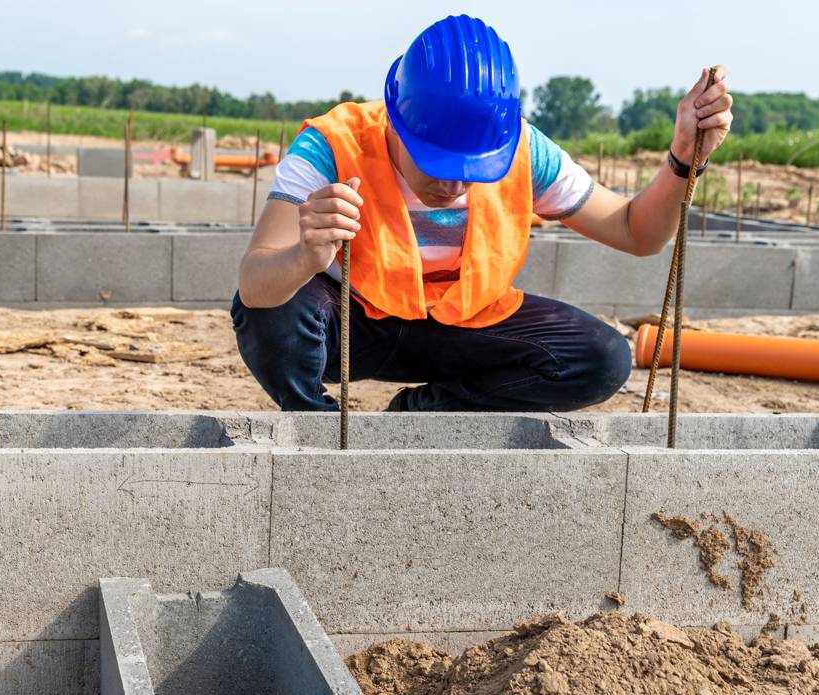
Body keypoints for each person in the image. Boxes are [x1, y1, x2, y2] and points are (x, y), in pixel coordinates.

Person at [231, 14, 733, 412]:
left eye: (472, 169)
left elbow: (636, 232)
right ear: (397, 121)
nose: (454, 186)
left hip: (464, 329)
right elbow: (254, 287)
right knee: (276, 305)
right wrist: (303, 257)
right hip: (357, 326)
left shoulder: (523, 150)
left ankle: (421, 416)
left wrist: (682, 159)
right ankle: (316, 430)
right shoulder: (333, 146)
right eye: (438, 164)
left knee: (601, 357)